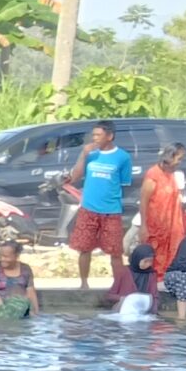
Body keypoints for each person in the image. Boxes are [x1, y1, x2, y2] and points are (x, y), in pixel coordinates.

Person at [63, 121, 131, 292]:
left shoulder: (123, 157)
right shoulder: (91, 155)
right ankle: (84, 284)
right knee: (84, 248)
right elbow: (76, 177)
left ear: (110, 136)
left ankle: (118, 286)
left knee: (115, 252)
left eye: (98, 135)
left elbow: (124, 183)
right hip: (88, 209)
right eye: (93, 135)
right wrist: (83, 154)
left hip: (111, 211)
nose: (95, 138)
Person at [141, 142, 186, 274]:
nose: (180, 162)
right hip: (156, 226)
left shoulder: (172, 174)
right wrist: (143, 226)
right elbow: (144, 201)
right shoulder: (153, 174)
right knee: (155, 258)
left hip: (172, 226)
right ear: (170, 156)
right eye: (179, 158)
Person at [0, 240, 39, 320]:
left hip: (20, 307)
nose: (2, 259)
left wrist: (36, 313)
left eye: (6, 256)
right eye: (0, 255)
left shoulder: (25, 269)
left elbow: (31, 293)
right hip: (0, 308)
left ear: (16, 256)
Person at [101, 243, 161, 312]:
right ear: (137, 258)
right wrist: (124, 299)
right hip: (124, 310)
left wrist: (152, 310)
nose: (148, 264)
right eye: (145, 261)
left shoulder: (151, 274)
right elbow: (109, 295)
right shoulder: (123, 272)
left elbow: (155, 297)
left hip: (143, 311)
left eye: (151, 261)